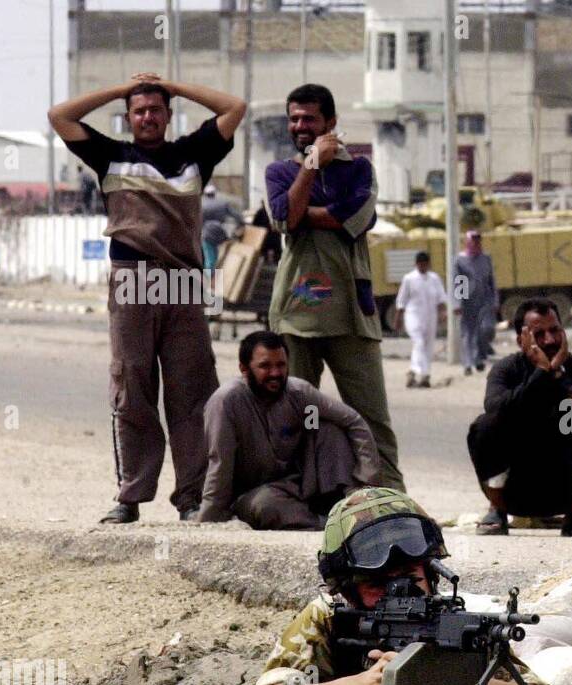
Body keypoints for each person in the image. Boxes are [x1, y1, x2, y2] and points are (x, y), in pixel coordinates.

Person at [48, 72, 245, 524]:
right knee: (132, 385)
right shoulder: (111, 156)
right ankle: (130, 496)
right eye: (138, 111)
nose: (147, 117)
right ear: (129, 117)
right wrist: (119, 89)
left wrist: (174, 85)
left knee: (193, 391)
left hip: (183, 282)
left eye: (156, 109)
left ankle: (193, 498)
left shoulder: (193, 155)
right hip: (131, 279)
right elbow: (59, 115)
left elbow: (234, 108)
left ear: (168, 115)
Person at [249, 487, 562, 685]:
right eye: (377, 584)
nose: (401, 593)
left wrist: (452, 681)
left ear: (431, 574)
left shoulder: (455, 625)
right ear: (347, 592)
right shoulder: (329, 616)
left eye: (411, 577)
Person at [264, 83, 405, 492]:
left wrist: (302, 212)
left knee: (370, 417)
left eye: (309, 118)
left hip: (351, 314)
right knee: (292, 418)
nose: (300, 126)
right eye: (294, 118)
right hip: (295, 313)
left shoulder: (359, 169)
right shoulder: (280, 171)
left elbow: (352, 217)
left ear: (331, 122)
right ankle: (293, 497)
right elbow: (284, 219)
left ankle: (392, 498)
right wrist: (310, 167)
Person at [467, 298, 572, 537]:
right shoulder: (506, 370)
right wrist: (541, 373)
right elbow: (496, 408)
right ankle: (496, 512)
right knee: (485, 425)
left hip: (565, 486)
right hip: (516, 487)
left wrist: (559, 376)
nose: (550, 340)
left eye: (554, 331)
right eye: (539, 334)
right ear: (522, 340)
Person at [197, 331, 379, 530]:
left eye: (281, 365)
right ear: (244, 369)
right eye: (265, 366)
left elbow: (353, 421)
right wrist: (209, 520)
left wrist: (364, 482)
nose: (275, 373)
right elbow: (220, 463)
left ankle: (345, 505)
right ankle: (328, 525)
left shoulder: (298, 393)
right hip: (256, 493)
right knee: (265, 506)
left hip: (300, 484)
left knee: (328, 427)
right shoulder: (226, 402)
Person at [396, 251, 447, 389]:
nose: (423, 266)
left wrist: (443, 313)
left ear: (429, 264)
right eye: (420, 264)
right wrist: (398, 318)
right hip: (413, 316)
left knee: (428, 346)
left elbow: (441, 298)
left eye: (425, 264)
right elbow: (401, 300)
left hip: (430, 317)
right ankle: (425, 374)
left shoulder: (434, 278)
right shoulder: (409, 278)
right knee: (418, 343)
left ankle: (413, 373)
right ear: (416, 264)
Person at [453, 230, 500, 375]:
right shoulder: (460, 260)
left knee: (486, 330)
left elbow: (491, 280)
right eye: (473, 240)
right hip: (467, 301)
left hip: (485, 300)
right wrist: (458, 303)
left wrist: (495, 300)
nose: (476, 243)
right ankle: (468, 363)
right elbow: (458, 281)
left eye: (478, 240)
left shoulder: (486, 258)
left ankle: (479, 357)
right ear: (467, 242)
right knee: (468, 333)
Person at [200, 183, 242, 270]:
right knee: (217, 256)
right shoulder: (223, 203)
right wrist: (240, 225)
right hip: (219, 232)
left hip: (206, 233)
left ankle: (207, 280)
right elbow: (237, 216)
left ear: (205, 194)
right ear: (214, 193)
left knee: (209, 258)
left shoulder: (201, 204)